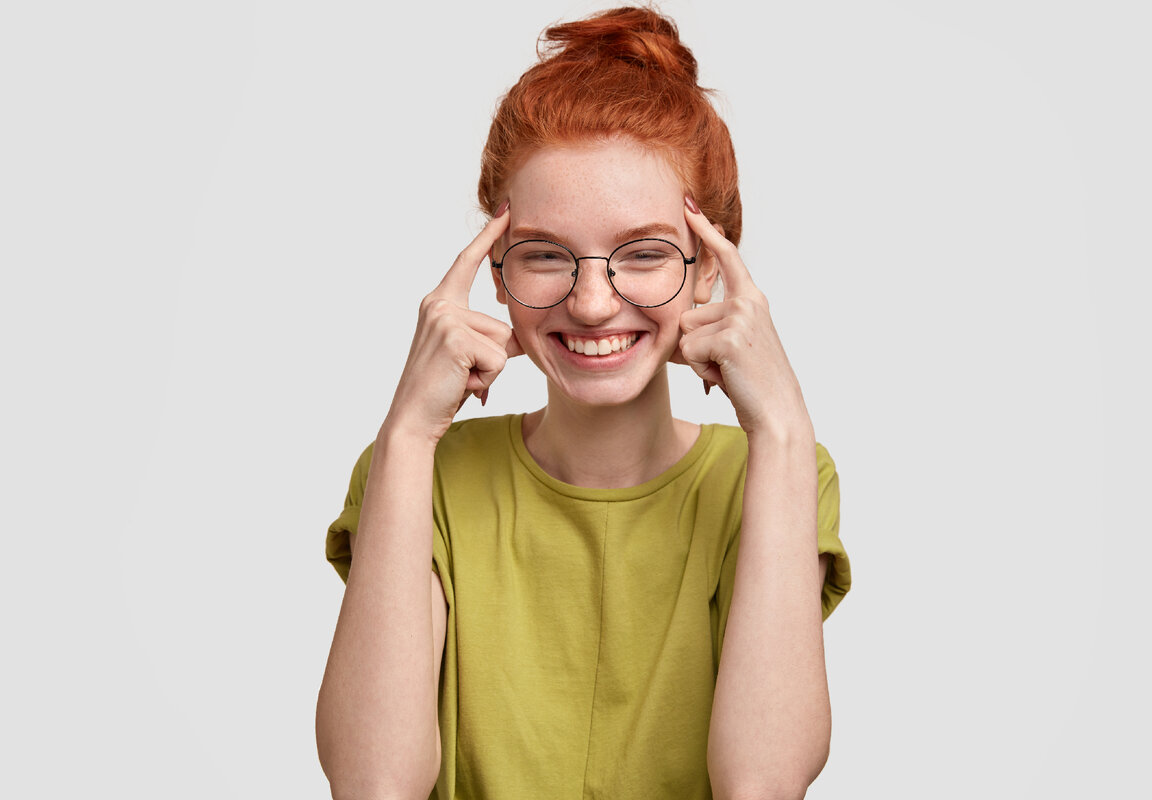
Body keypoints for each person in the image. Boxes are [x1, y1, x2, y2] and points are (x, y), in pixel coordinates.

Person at [316, 7, 851, 799]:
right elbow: (372, 782)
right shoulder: (420, 473)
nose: (594, 303)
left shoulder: (775, 470)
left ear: (712, 266)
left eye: (643, 254)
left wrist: (780, 424)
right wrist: (404, 433)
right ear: (494, 271)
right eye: (544, 256)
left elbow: (763, 784)